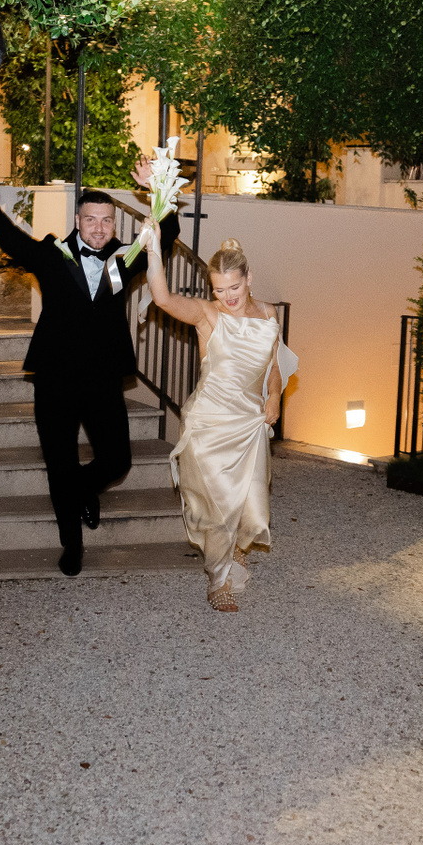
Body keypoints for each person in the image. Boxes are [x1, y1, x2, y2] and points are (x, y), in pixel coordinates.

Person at [0, 158, 177, 576]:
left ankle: (81, 490)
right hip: (55, 379)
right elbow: (11, 239)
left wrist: (158, 189)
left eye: (107, 221)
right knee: (59, 461)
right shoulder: (52, 255)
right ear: (77, 221)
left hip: (103, 379)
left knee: (117, 461)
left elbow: (166, 235)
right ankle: (72, 544)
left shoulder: (127, 257)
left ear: (114, 224)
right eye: (91, 219)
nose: (99, 228)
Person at [137, 227, 295, 611]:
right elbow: (163, 297)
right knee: (218, 506)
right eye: (219, 290)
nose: (227, 297)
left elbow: (274, 367)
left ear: (249, 278)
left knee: (252, 502)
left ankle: (238, 547)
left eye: (234, 288)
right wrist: (154, 249)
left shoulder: (269, 314)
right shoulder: (208, 315)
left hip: (250, 423)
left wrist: (274, 396)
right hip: (209, 424)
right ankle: (217, 580)